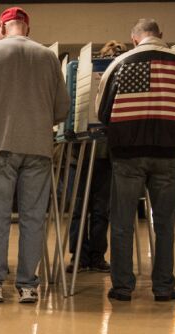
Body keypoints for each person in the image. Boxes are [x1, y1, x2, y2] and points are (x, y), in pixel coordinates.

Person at [0, 7, 70, 304]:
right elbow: (62, 109)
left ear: (1, 28)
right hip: (39, 148)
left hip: (1, 146)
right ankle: (28, 286)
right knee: (33, 219)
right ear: (27, 28)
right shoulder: (48, 57)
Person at [97, 18, 175, 302]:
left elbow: (103, 111)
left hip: (127, 155)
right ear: (161, 35)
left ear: (134, 39)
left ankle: (122, 287)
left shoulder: (119, 64)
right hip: (168, 154)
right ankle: (163, 287)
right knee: (164, 224)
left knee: (122, 223)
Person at [66, 41, 128, 274]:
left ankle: (97, 256)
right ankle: (79, 255)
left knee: (101, 210)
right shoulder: (83, 80)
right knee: (79, 209)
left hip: (105, 157)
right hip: (80, 155)